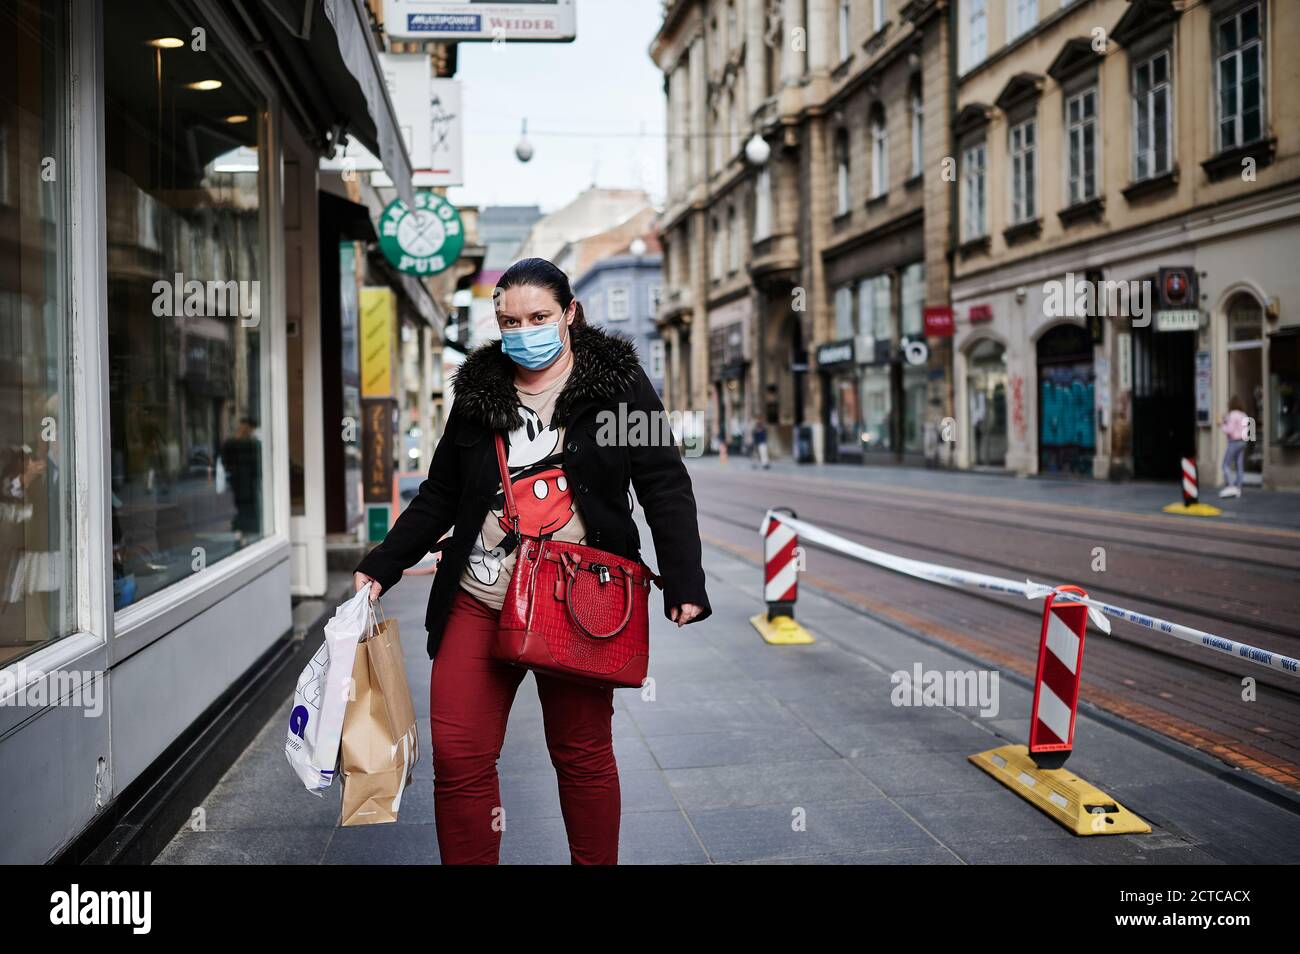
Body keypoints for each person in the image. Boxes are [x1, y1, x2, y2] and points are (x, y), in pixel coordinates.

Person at [352, 257, 711, 865]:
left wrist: (684, 580)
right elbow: (440, 492)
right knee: (461, 755)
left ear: (569, 313)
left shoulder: (619, 386)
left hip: (578, 601)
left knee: (582, 751)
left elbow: (663, 483)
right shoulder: (478, 391)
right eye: (510, 320)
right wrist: (381, 564)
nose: (525, 331)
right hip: (480, 591)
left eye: (539, 316)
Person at [1219, 396, 1249, 498]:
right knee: (1239, 465)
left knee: (1225, 465)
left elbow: (1229, 430)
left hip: (1234, 442)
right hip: (1243, 441)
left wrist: (1221, 424)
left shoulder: (1232, 414)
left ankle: (1231, 486)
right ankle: (1238, 488)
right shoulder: (1243, 414)